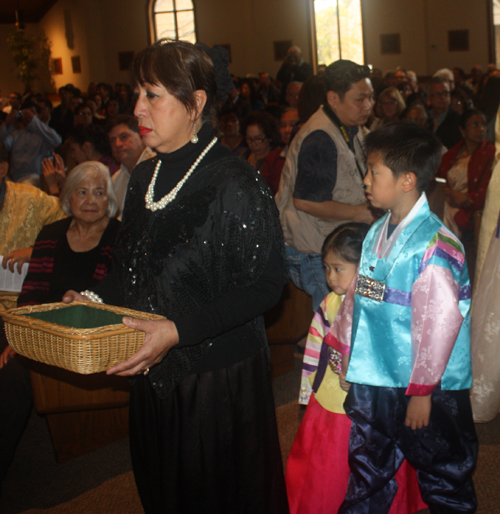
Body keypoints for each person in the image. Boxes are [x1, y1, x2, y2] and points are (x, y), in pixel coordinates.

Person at [63, 39, 289, 513]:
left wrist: (177, 331)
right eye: (137, 94)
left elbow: (269, 287)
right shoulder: (145, 178)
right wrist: (90, 299)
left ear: (196, 103)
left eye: (152, 95)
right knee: (164, 489)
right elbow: (132, 269)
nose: (137, 107)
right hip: (152, 366)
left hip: (216, 382)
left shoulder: (234, 180)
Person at [327, 122, 477, 513]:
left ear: (408, 179)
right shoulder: (377, 230)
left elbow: (439, 327)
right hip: (376, 375)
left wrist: (422, 392)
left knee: (441, 469)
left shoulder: (435, 247)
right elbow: (361, 298)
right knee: (367, 465)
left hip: (424, 387)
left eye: (374, 171)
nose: (366, 180)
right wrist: (347, 353)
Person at [286, 223, 426, 514]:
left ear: (366, 265)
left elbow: (397, 345)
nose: (330, 277)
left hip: (375, 398)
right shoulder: (329, 303)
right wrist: (308, 387)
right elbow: (315, 345)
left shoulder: (384, 299)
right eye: (326, 268)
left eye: (339, 269)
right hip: (332, 397)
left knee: (375, 453)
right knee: (330, 459)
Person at [0, 161, 120, 488]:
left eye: (99, 192)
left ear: (109, 199)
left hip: (92, 339)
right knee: (9, 359)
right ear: (68, 198)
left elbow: (117, 299)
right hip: (43, 334)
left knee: (13, 376)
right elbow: (32, 292)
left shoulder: (119, 236)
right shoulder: (52, 234)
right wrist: (22, 338)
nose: (91, 200)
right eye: (82, 192)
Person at [276, 59, 375, 311]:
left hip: (334, 245)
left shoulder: (350, 127)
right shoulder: (320, 136)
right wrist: (361, 213)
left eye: (371, 98)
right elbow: (305, 201)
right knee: (335, 325)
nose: (368, 106)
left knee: (349, 319)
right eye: (360, 99)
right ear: (333, 99)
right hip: (314, 251)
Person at [436, 109, 494, 281]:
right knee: (439, 209)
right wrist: (448, 193)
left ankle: (445, 265)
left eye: (483, 125)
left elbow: (490, 189)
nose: (481, 129)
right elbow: (439, 180)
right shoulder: (452, 155)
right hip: (448, 201)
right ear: (463, 130)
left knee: (443, 215)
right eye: (475, 125)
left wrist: (468, 199)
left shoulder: (490, 153)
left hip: (472, 208)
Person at [0, 100, 62, 185]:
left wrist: (34, 120)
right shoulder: (16, 133)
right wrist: (8, 123)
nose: (27, 116)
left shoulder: (43, 133)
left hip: (35, 176)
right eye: (24, 113)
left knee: (27, 184)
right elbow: (3, 144)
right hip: (14, 177)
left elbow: (56, 141)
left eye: (31, 112)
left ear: (37, 115)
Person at [106, 114, 156, 214]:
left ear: (142, 138)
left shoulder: (157, 167)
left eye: (124, 137)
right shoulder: (116, 179)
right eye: (112, 140)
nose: (117, 144)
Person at [260, 108, 299, 195]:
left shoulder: (311, 156)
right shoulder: (272, 158)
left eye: (292, 125)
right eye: (283, 125)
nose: (287, 130)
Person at [428, 75, 462, 150]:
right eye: (438, 94)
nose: (442, 97)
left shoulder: (458, 121)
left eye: (445, 93)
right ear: (429, 97)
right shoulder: (425, 118)